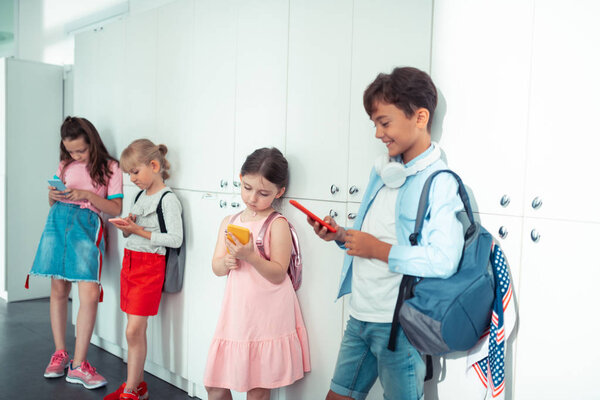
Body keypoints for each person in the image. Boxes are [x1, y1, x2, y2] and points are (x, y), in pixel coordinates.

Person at [308, 67, 465, 400]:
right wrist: (339, 235)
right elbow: (372, 236)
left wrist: (378, 249)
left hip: (398, 326)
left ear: (420, 117)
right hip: (360, 316)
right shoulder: (383, 172)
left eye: (384, 122)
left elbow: (444, 260)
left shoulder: (439, 182)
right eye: (375, 124)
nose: (378, 134)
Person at [204, 147, 310, 400]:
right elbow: (216, 267)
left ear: (279, 192)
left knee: (258, 388)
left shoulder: (277, 223)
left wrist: (250, 256)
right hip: (237, 312)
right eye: (247, 188)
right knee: (215, 386)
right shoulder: (230, 220)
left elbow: (277, 273)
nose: (252, 198)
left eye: (263, 193)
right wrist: (228, 260)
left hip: (267, 312)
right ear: (240, 178)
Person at [28, 116, 123, 389]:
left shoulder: (110, 167)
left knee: (90, 294)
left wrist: (86, 195)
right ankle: (60, 353)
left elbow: (115, 209)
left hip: (86, 226)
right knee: (58, 290)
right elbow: (52, 199)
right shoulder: (65, 165)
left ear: (92, 142)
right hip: (58, 223)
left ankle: (79, 365)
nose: (76, 155)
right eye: (71, 151)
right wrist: (54, 195)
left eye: (81, 150)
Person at [104, 139, 183, 400]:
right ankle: (137, 387)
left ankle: (130, 390)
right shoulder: (138, 196)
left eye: (135, 172)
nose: (132, 178)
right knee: (134, 329)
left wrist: (138, 230)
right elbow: (134, 236)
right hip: (130, 263)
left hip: (149, 268)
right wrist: (129, 228)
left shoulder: (168, 199)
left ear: (154, 165)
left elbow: (175, 239)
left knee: (133, 330)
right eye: (129, 174)